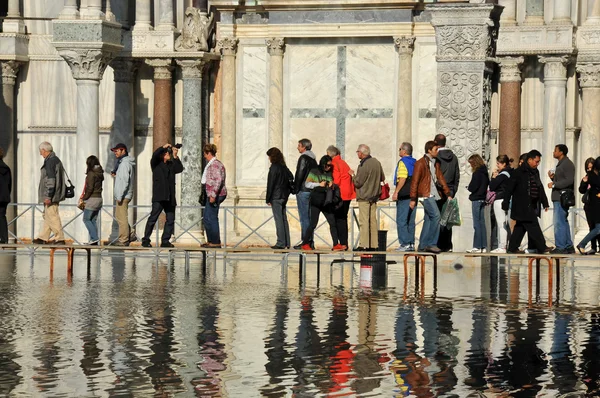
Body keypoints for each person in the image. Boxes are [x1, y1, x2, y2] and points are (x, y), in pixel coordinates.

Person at [502, 149, 549, 254]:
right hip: (521, 205)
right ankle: (542, 246)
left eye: (539, 162)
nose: (537, 164)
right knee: (533, 224)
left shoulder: (535, 172)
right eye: (536, 161)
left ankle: (512, 248)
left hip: (531, 204)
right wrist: (505, 201)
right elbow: (509, 188)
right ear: (530, 160)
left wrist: (544, 202)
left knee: (520, 227)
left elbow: (539, 187)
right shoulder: (518, 172)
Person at [409, 141, 452, 254]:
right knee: (436, 216)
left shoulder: (435, 162)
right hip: (425, 194)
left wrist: (447, 193)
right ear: (429, 150)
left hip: (433, 194)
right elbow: (415, 181)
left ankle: (423, 245)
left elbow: (440, 177)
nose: (437, 151)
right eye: (435, 149)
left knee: (429, 219)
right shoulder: (420, 163)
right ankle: (431, 244)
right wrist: (413, 198)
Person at [141, 143, 184, 248]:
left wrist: (175, 155)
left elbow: (179, 169)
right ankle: (146, 240)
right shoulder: (155, 164)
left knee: (170, 219)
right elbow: (155, 155)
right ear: (162, 155)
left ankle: (165, 240)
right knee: (153, 218)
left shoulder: (170, 165)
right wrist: (163, 147)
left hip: (170, 197)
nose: (167, 154)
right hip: (159, 196)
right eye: (166, 153)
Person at [349, 144, 385, 251]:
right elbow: (382, 177)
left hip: (364, 196)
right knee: (373, 221)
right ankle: (374, 245)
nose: (357, 154)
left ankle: (364, 244)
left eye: (358, 152)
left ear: (362, 153)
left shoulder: (364, 165)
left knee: (364, 221)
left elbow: (358, 182)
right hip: (374, 196)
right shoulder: (377, 162)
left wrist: (352, 175)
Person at [301, 155, 338, 250]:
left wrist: (331, 185)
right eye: (327, 165)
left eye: (330, 166)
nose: (329, 167)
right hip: (316, 201)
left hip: (326, 201)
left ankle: (335, 244)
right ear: (323, 164)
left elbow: (331, 185)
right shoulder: (314, 171)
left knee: (332, 222)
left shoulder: (329, 173)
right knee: (313, 223)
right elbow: (307, 184)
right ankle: (305, 243)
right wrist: (319, 184)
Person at [33, 142, 67, 245]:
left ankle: (60, 238)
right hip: (55, 194)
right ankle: (43, 237)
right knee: (47, 215)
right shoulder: (55, 160)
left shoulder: (50, 161)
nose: (40, 154)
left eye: (40, 151)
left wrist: (48, 196)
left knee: (52, 215)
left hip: (52, 195)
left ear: (44, 150)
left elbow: (51, 180)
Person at [547, 144, 576, 254]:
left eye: (555, 150)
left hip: (561, 197)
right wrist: (553, 178)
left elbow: (569, 181)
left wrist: (554, 185)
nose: (553, 152)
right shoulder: (562, 164)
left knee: (559, 222)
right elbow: (563, 179)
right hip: (558, 196)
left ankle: (560, 246)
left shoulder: (567, 164)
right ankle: (568, 245)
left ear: (561, 152)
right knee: (563, 221)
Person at [434, 134, 460, 252]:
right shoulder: (454, 157)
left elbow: (436, 175)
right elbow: (457, 175)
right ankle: (448, 245)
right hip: (450, 191)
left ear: (435, 142)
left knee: (437, 218)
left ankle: (439, 244)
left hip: (439, 191)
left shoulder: (436, 156)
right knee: (448, 219)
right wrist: (453, 190)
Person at [327, 145, 355, 251]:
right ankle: (344, 243)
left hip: (340, 195)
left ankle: (342, 243)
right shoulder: (343, 163)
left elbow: (337, 181)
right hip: (348, 194)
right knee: (343, 218)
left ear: (330, 154)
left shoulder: (335, 163)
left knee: (339, 219)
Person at [266, 147, 293, 249]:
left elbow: (271, 184)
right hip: (284, 196)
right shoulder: (283, 167)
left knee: (279, 220)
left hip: (276, 197)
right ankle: (287, 242)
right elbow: (291, 177)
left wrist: (268, 198)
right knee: (284, 219)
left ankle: (281, 242)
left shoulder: (274, 168)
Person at [110, 143, 136, 246]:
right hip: (124, 194)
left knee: (121, 218)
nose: (115, 153)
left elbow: (125, 181)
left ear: (123, 150)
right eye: (114, 151)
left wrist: (120, 195)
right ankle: (130, 233)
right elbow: (123, 179)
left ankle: (123, 240)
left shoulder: (124, 164)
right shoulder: (123, 163)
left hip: (123, 195)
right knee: (120, 216)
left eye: (117, 151)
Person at [392, 142, 417, 252]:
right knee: (411, 221)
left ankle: (404, 243)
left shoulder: (403, 162)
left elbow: (402, 178)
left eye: (400, 149)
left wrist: (396, 192)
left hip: (404, 194)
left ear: (404, 151)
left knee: (401, 220)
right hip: (414, 195)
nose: (399, 151)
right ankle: (411, 243)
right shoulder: (415, 162)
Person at [293, 139, 317, 250]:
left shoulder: (303, 158)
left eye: (299, 145)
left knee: (304, 218)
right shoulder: (313, 159)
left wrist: (295, 188)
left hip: (303, 190)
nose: (298, 147)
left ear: (304, 147)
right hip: (311, 191)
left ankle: (306, 242)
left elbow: (300, 174)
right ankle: (309, 241)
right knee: (309, 217)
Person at [201, 144, 227, 248]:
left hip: (215, 195)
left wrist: (213, 195)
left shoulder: (215, 165)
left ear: (208, 153)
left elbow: (219, 180)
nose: (204, 156)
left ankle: (215, 242)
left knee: (211, 217)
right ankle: (211, 240)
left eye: (205, 154)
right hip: (212, 194)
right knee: (207, 217)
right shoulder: (215, 164)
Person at [489, 155, 513, 253]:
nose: (497, 165)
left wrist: (493, 177)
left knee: (501, 224)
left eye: (498, 163)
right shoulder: (510, 173)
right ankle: (506, 245)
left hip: (500, 199)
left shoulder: (503, 175)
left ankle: (502, 246)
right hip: (507, 199)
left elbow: (492, 187)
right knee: (505, 223)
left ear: (504, 164)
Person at [466, 154, 489, 253]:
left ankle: (477, 246)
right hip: (483, 199)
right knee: (482, 223)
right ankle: (483, 246)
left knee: (476, 224)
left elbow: (472, 187)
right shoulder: (485, 172)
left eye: (471, 163)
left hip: (476, 199)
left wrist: (468, 187)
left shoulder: (477, 173)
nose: (470, 166)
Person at [577, 157, 600, 254]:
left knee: (597, 228)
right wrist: (584, 182)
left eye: (591, 167)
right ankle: (585, 245)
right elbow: (581, 190)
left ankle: (589, 246)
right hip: (592, 205)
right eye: (588, 168)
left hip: (597, 205)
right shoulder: (589, 176)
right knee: (596, 228)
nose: (589, 170)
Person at [80, 155, 104, 245]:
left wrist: (84, 198)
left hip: (92, 199)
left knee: (86, 219)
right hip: (99, 199)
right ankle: (93, 241)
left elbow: (90, 188)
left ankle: (94, 238)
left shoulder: (91, 173)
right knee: (93, 220)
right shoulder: (100, 172)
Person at [0, 148, 11, 244]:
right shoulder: (6, 167)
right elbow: (9, 184)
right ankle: (4, 239)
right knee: (2, 217)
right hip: (4, 197)